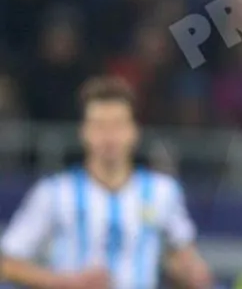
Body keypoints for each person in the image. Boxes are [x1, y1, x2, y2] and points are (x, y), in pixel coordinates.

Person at [0, 76, 212, 289]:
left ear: (134, 131)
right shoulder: (54, 192)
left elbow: (184, 255)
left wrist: (189, 271)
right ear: (83, 131)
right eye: (99, 126)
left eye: (117, 125)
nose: (109, 136)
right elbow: (6, 264)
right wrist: (65, 282)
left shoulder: (162, 191)